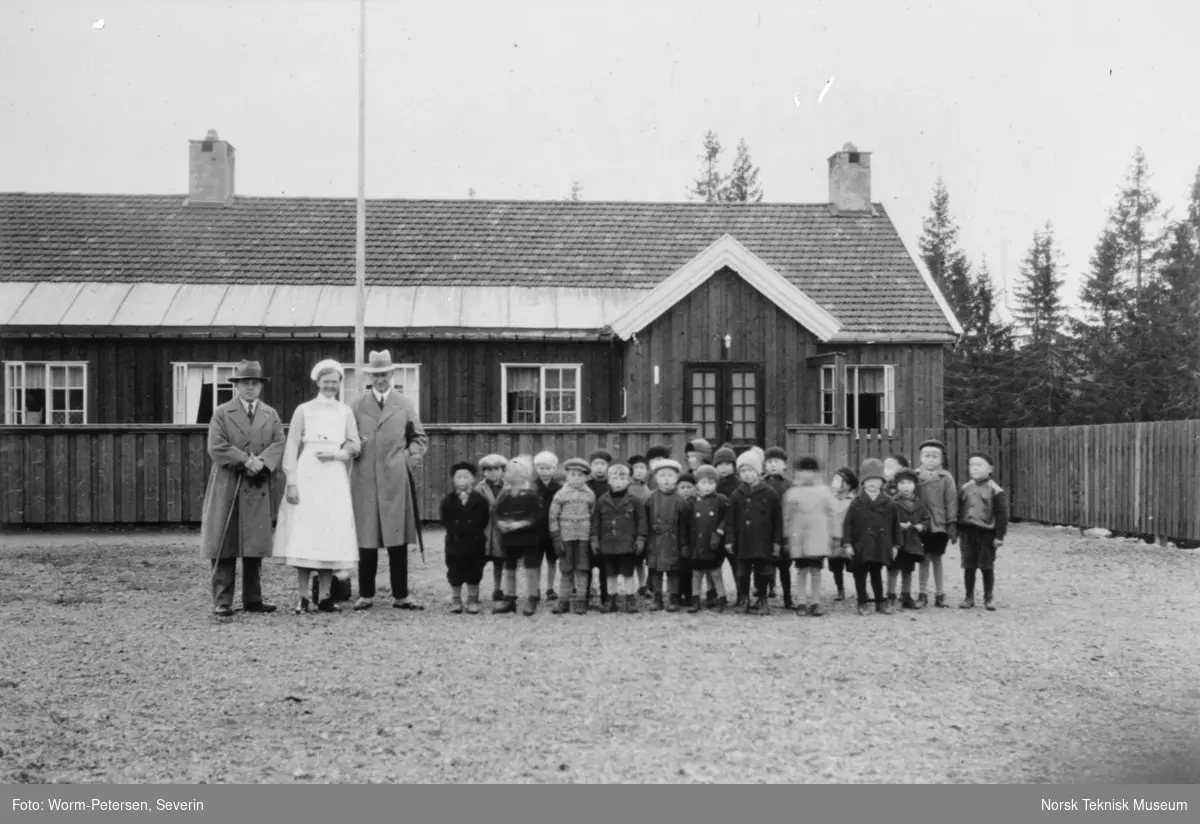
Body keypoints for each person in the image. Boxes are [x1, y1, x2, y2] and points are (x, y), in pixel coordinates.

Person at [272, 360, 361, 614]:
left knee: (329, 532)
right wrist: (291, 481)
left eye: (335, 381)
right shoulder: (304, 410)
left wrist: (338, 455)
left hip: (333, 474)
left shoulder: (345, 411)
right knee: (306, 532)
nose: (331, 385)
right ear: (318, 382)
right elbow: (291, 445)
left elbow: (354, 443)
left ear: (340, 383)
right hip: (308, 471)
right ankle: (302, 597)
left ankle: (324, 596)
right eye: (326, 381)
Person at [199, 359, 286, 618]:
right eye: (245, 383)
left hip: (257, 483)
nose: (250, 388)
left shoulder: (270, 414)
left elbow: (278, 443)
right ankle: (222, 600)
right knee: (224, 540)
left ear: (260, 386)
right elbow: (216, 446)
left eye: (254, 383)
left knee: (254, 542)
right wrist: (244, 460)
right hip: (229, 482)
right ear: (237, 386)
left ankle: (253, 599)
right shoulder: (222, 413)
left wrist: (261, 463)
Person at [350, 350, 429, 611]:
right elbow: (346, 438)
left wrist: (406, 460)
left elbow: (419, 438)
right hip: (365, 478)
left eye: (385, 374)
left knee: (397, 536)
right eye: (376, 375)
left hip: (395, 478)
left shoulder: (404, 404)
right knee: (367, 535)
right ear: (369, 377)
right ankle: (366, 594)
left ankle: (401, 594)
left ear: (392, 375)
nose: (381, 379)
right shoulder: (357, 405)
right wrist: (354, 447)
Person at [726, 447, 782, 615]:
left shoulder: (770, 494)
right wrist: (729, 539)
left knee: (763, 570)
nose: (747, 474)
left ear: (758, 471)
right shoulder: (736, 494)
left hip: (763, 539)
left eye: (750, 470)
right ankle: (744, 598)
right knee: (742, 571)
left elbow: (777, 520)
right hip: (742, 539)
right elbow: (730, 520)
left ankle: (762, 597)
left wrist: (777, 542)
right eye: (743, 471)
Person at [843, 458, 902, 616]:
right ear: (863, 482)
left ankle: (880, 603)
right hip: (860, 545)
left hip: (880, 545)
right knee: (860, 575)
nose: (872, 483)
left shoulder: (889, 503)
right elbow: (847, 524)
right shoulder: (856, 503)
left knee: (876, 573)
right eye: (868, 480)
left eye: (876, 480)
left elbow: (896, 526)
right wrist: (847, 544)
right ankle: (862, 603)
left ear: (882, 482)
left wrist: (896, 545)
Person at [782, 455, 836, 617]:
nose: (807, 474)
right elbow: (787, 517)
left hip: (818, 537)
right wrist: (786, 537)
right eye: (803, 471)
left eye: (810, 471)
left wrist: (834, 536)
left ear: (816, 473)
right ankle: (801, 601)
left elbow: (832, 513)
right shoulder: (792, 493)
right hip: (799, 538)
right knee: (801, 570)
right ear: (797, 473)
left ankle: (816, 601)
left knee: (816, 571)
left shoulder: (824, 491)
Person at [590, 461, 647, 613]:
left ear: (628, 480)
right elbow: (595, 521)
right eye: (614, 478)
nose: (618, 482)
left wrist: (641, 538)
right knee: (610, 573)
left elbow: (642, 520)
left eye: (622, 478)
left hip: (627, 544)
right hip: (607, 545)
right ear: (609, 480)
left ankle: (630, 599)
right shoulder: (602, 500)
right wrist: (594, 538)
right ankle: (611, 599)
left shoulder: (634, 501)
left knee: (628, 573)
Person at [492, 456, 544, 616]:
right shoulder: (506, 494)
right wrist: (500, 523)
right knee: (509, 567)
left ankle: (532, 597)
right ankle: (510, 598)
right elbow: (495, 511)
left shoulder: (531, 495)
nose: (506, 473)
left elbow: (538, 515)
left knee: (531, 567)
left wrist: (521, 523)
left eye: (508, 470)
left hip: (529, 539)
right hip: (509, 538)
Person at [957, 452, 1008, 611]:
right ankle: (969, 597)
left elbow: (1001, 514)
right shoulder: (965, 488)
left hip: (987, 533)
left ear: (990, 468)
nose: (975, 468)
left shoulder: (995, 490)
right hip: (967, 532)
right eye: (972, 465)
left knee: (986, 566)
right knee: (968, 566)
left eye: (980, 465)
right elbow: (959, 510)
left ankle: (988, 598)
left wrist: (999, 535)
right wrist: (958, 530)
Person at [440, 461, 490, 615]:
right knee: (454, 570)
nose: (462, 480)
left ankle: (472, 599)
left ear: (473, 479)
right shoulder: (448, 500)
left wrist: (473, 529)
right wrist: (457, 529)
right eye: (459, 477)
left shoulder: (480, 500)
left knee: (474, 570)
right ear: (453, 480)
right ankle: (456, 599)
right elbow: (445, 520)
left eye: (466, 477)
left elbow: (484, 519)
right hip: (455, 542)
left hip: (475, 542)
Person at [549, 458, 597, 615]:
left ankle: (581, 600)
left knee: (582, 569)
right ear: (567, 476)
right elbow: (553, 516)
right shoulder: (561, 494)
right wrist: (556, 537)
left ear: (586, 477)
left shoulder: (589, 494)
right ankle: (563, 601)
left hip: (583, 538)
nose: (576, 478)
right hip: (566, 538)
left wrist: (592, 536)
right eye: (573, 474)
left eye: (580, 475)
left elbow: (593, 515)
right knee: (566, 570)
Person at [681, 465, 729, 613]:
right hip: (696, 544)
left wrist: (720, 532)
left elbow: (728, 517)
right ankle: (695, 600)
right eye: (703, 483)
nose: (707, 487)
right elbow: (685, 525)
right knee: (696, 574)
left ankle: (721, 598)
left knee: (715, 572)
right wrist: (685, 544)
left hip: (713, 543)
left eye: (711, 483)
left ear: (716, 484)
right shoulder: (691, 503)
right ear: (697, 484)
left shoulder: (721, 500)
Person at [916, 439, 957, 608]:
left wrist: (952, 523)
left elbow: (951, 501)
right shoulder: (915, 476)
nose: (931, 459)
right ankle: (922, 593)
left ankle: (940, 594)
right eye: (927, 456)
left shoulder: (946, 477)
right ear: (921, 458)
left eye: (935, 456)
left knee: (937, 558)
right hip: (922, 524)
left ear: (941, 459)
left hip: (939, 524)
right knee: (924, 558)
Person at [645, 458, 688, 612]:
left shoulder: (680, 500)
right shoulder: (651, 497)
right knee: (656, 569)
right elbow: (646, 520)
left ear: (676, 478)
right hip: (655, 539)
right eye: (662, 476)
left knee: (673, 570)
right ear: (656, 479)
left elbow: (684, 524)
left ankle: (673, 597)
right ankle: (657, 597)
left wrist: (683, 544)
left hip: (673, 539)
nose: (666, 479)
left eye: (670, 475)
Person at [890, 468, 930, 610]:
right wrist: (899, 525)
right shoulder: (892, 502)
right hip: (897, 541)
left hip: (912, 542)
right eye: (902, 483)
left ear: (914, 485)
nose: (905, 486)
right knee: (893, 569)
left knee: (908, 569)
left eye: (909, 483)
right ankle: (891, 596)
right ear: (897, 485)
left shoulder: (919, 503)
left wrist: (921, 526)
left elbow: (926, 520)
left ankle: (906, 595)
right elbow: (887, 520)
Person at [476, 453, 510, 601]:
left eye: (496, 469)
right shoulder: (479, 489)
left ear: (503, 470)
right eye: (488, 469)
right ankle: (474, 591)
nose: (492, 472)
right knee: (479, 562)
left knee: (500, 561)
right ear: (483, 472)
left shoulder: (509, 487)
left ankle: (498, 588)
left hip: (501, 530)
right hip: (484, 529)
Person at [762, 446, 792, 606]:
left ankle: (788, 597)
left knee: (784, 566)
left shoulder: (789, 484)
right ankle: (766, 592)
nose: (773, 465)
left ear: (784, 465)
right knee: (766, 564)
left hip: (784, 528)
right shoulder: (761, 482)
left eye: (776, 462)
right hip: (767, 529)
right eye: (769, 462)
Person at [533, 451, 563, 602]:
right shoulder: (531, 487)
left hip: (552, 529)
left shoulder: (559, 488)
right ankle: (536, 589)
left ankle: (550, 588)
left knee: (552, 560)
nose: (544, 471)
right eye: (541, 468)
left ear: (554, 469)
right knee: (536, 561)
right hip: (536, 530)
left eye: (548, 468)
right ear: (536, 468)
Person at [585, 449, 613, 609]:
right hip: (587, 531)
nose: (599, 467)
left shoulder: (611, 486)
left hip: (606, 532)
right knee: (586, 565)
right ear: (591, 466)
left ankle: (605, 596)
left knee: (605, 566)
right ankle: (585, 595)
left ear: (608, 466)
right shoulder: (586, 485)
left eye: (602, 464)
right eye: (596, 464)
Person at [827, 467, 858, 602]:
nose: (836, 482)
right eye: (835, 479)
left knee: (855, 566)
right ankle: (840, 589)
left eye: (840, 480)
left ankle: (860, 589)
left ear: (848, 485)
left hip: (849, 538)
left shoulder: (854, 501)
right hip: (833, 537)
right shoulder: (829, 499)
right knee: (836, 566)